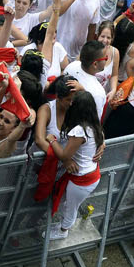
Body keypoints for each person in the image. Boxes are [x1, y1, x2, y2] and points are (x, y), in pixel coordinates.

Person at [42, 92, 104, 240]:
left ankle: (63, 231)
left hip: (82, 179)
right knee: (69, 204)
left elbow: (64, 156)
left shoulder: (80, 130)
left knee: (70, 208)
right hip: (88, 175)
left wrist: (52, 140)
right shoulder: (94, 125)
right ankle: (62, 226)